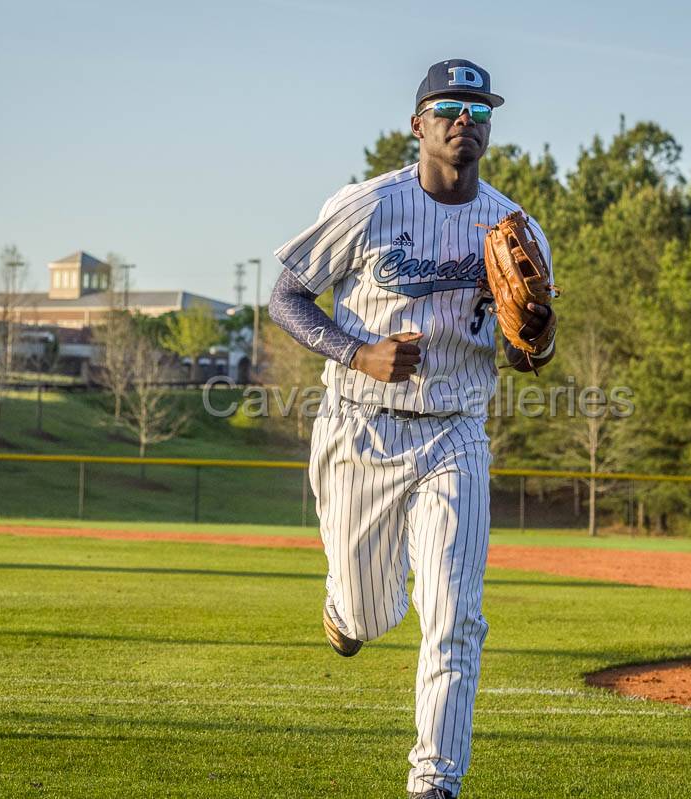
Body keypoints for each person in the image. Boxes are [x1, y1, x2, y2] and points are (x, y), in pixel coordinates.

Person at [269, 58, 555, 799]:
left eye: (480, 111)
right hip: (360, 426)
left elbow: (530, 355)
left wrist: (539, 337)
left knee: (455, 613)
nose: (467, 121)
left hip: (455, 431)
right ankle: (345, 605)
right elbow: (287, 295)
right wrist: (355, 350)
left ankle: (435, 780)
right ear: (418, 124)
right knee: (369, 609)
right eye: (450, 108)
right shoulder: (368, 206)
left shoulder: (514, 227)